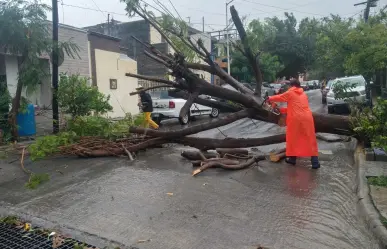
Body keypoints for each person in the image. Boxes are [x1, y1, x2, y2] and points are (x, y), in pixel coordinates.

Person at [267, 79, 320, 169]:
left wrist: (269, 98)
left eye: (289, 86)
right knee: (310, 138)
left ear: (292, 86)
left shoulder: (291, 92)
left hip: (296, 119)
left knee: (293, 138)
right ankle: (315, 163)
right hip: (307, 118)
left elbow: (281, 97)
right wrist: (281, 110)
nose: (288, 87)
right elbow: (295, 107)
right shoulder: (303, 94)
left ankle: (292, 159)